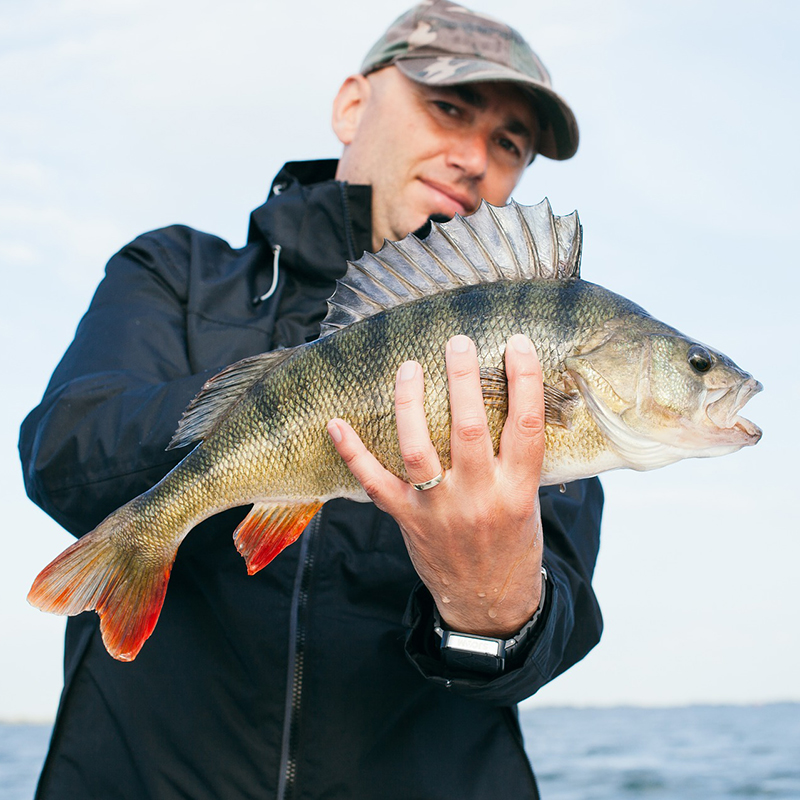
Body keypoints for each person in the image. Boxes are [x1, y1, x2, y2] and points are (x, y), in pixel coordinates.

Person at [19, 1, 603, 798]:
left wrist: (492, 611)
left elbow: (550, 630)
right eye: (449, 107)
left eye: (509, 143)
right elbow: (62, 451)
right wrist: (290, 411)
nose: (473, 156)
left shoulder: (527, 356)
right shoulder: (173, 272)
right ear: (352, 106)